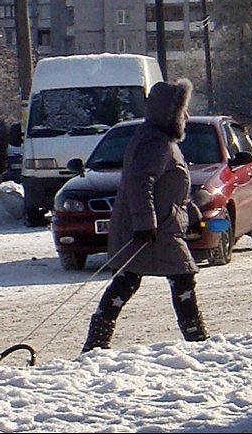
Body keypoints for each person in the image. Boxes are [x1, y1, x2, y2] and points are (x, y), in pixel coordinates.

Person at [81, 77, 209, 352]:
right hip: (155, 231)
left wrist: (194, 211)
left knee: (128, 280)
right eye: (183, 110)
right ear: (171, 113)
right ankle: (198, 341)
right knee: (181, 278)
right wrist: (144, 224)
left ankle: (96, 345)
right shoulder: (156, 143)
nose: (187, 116)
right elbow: (141, 183)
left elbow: (170, 192)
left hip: (160, 227)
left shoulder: (158, 140)